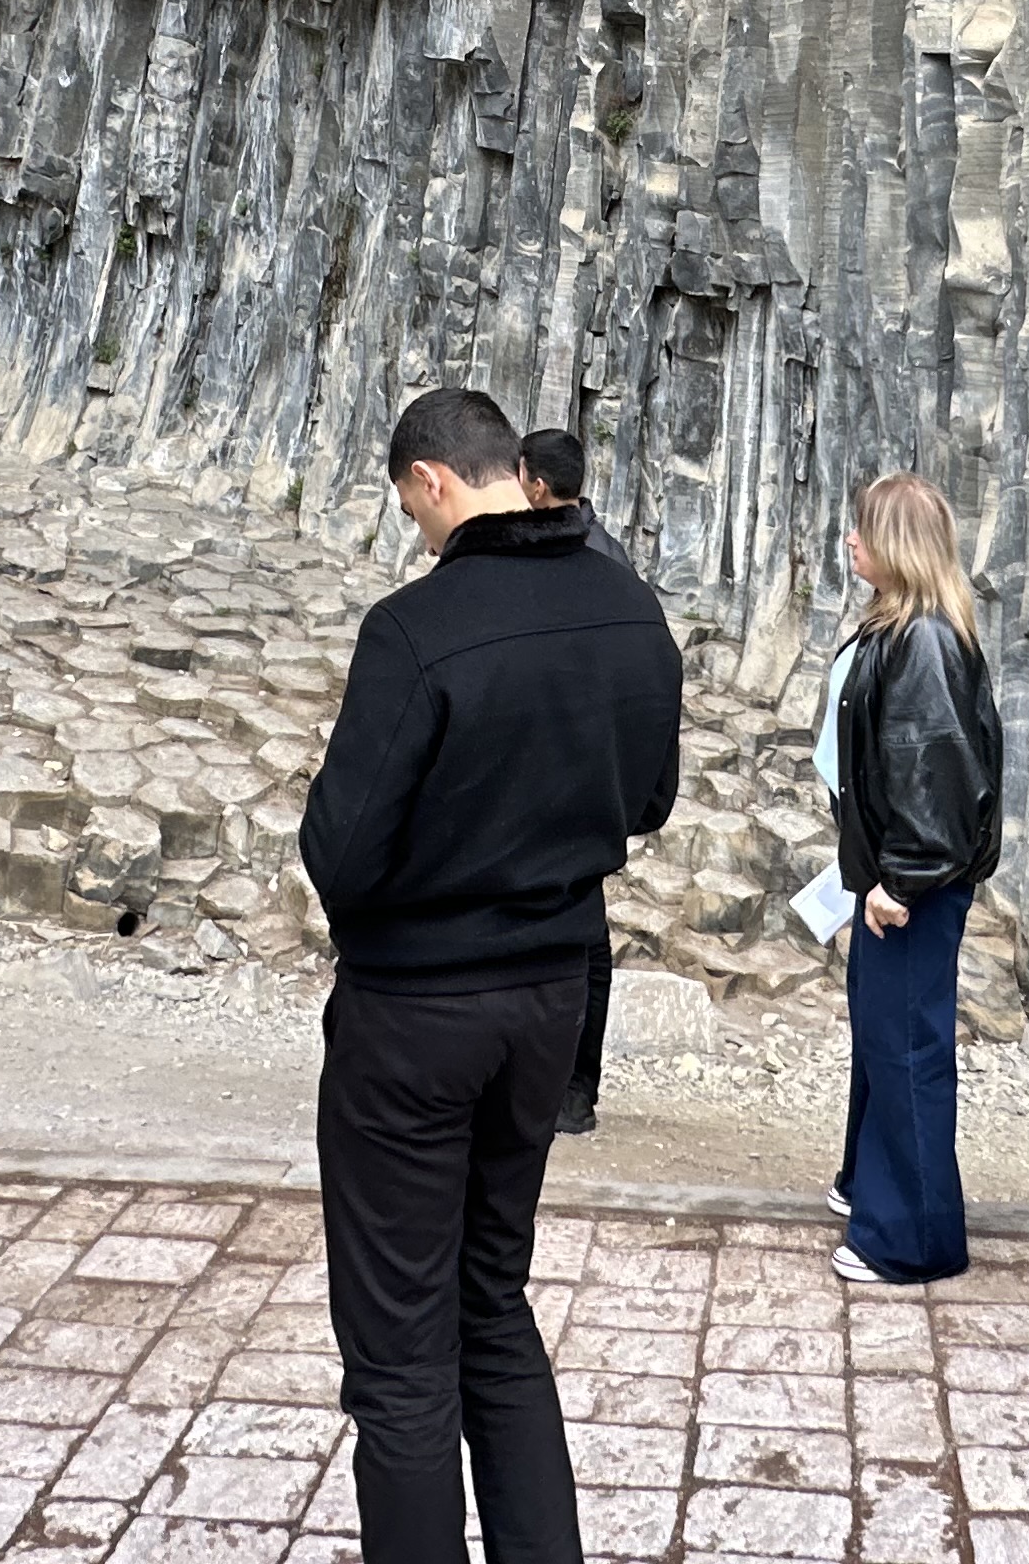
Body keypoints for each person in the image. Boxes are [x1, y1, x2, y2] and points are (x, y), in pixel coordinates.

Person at [299, 387, 683, 1564]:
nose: (415, 529)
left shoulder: (415, 629)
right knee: (491, 1299)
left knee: (401, 1352)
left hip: (416, 1015)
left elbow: (341, 852)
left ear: (432, 481)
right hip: (550, 1002)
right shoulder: (629, 606)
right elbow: (650, 800)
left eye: (410, 505)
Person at [825, 472, 1002, 1290]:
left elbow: (937, 772)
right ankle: (871, 1188)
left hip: (909, 887)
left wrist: (902, 881)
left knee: (905, 1049)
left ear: (895, 544)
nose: (850, 540)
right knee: (883, 1039)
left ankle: (912, 1238)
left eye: (862, 529)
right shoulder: (901, 623)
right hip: (889, 877)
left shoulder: (923, 637)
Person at [518, 423, 636, 1138]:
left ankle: (564, 1087)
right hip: (591, 763)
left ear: (534, 486)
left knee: (578, 937)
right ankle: (569, 1089)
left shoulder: (551, 557)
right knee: (585, 931)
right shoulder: (613, 557)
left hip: (558, 761)